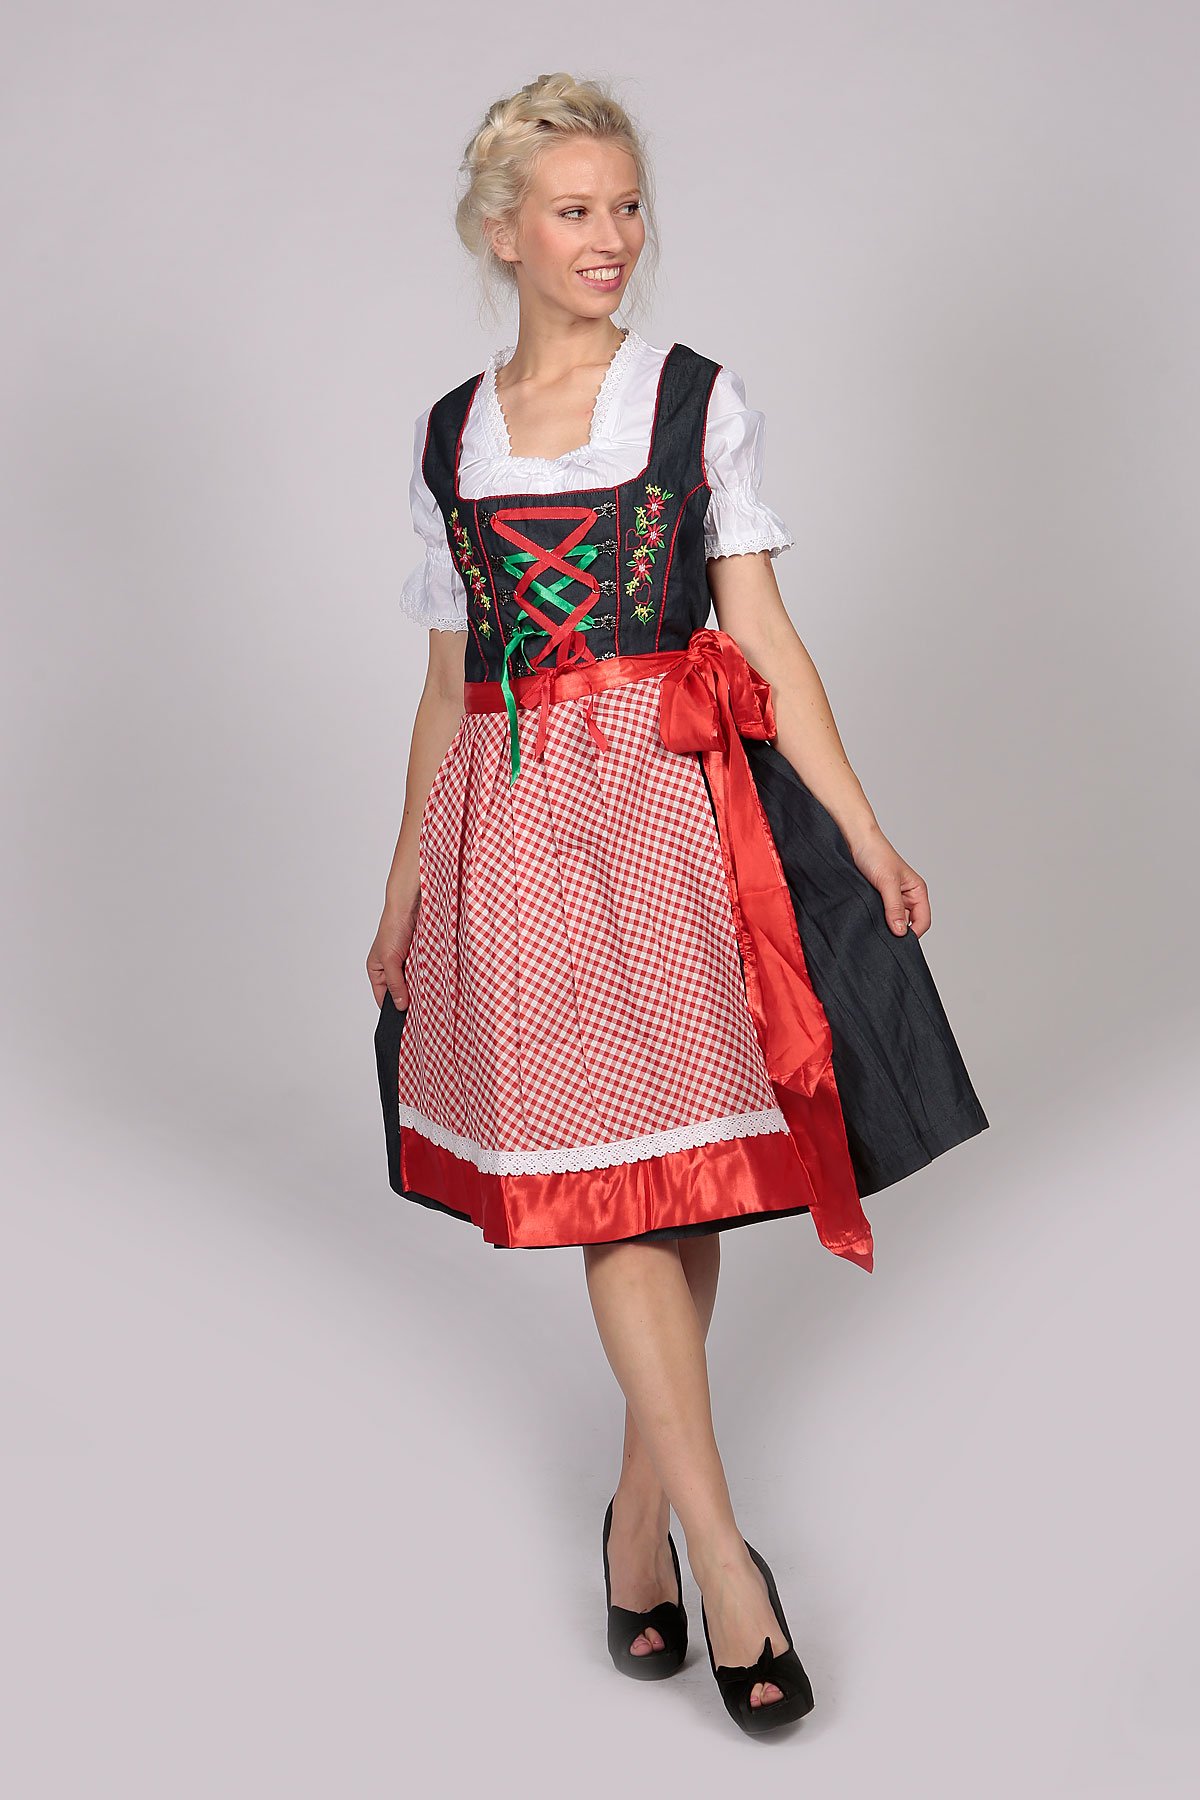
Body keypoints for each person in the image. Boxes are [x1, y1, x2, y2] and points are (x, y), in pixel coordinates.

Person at [366, 71, 988, 1737]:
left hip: (678, 818)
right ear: (502, 232)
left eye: (627, 205)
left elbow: (761, 632)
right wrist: (403, 884)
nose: (612, 237)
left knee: (680, 1177)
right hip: (520, 835)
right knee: (622, 1198)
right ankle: (726, 1561)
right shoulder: (449, 434)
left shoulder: (694, 401)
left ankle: (638, 1522)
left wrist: (864, 830)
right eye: (575, 210)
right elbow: (445, 687)